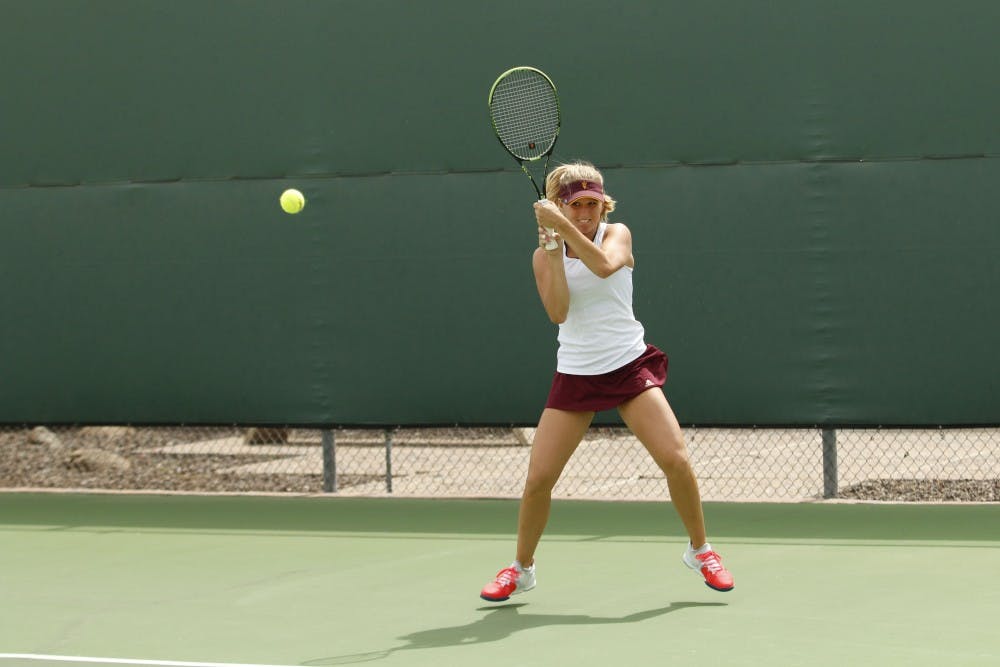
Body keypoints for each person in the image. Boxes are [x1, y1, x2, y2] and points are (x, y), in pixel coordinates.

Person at [480, 161, 734, 601]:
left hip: (628, 366)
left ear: (603, 205)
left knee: (675, 459)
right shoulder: (543, 256)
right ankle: (521, 569)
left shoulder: (617, 235)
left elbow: (602, 266)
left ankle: (701, 551)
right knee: (539, 479)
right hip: (576, 373)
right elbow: (559, 312)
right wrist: (554, 252)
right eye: (575, 205)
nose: (585, 214)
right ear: (560, 205)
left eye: (592, 204)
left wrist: (562, 227)